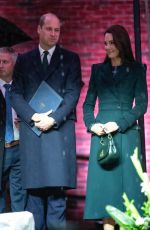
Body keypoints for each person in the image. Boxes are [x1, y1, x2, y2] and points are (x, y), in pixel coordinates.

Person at [11, 13, 82, 230]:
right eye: (49, 29)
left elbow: (73, 93)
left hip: (58, 134)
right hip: (33, 133)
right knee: (34, 202)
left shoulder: (70, 59)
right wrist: (34, 117)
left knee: (56, 201)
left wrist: (52, 119)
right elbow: (15, 94)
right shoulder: (23, 60)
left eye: (57, 30)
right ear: (39, 30)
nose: (53, 34)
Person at [83, 25, 148, 230]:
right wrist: (91, 125)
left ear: (121, 43)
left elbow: (142, 105)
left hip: (126, 136)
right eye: (105, 43)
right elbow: (87, 105)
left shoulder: (137, 69)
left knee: (128, 196)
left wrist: (118, 124)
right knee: (106, 196)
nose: (108, 47)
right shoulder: (98, 70)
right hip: (101, 136)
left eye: (112, 43)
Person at [0, 47, 25, 212]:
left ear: (14, 64)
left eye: (5, 62)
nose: (0, 65)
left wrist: (26, 120)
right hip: (1, 147)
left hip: (20, 147)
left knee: (19, 195)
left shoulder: (24, 88)